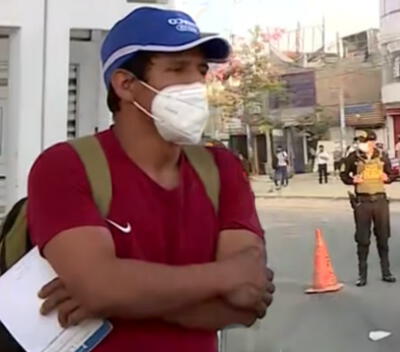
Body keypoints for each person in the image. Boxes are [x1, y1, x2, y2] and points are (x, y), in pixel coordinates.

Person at [26, 7, 274, 352]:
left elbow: (247, 300)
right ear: (126, 85)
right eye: (177, 69)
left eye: (200, 70)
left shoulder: (223, 170)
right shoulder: (65, 166)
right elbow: (98, 286)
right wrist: (224, 275)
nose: (196, 84)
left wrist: (117, 297)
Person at [340, 130, 396, 287]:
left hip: (380, 201)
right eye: (362, 141)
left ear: (373, 141)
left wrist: (388, 178)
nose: (365, 144)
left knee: (383, 238)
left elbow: (392, 175)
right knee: (363, 240)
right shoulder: (353, 157)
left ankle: (386, 272)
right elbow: (343, 175)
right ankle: (362, 275)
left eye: (367, 141)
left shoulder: (382, 156)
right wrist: (353, 179)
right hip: (362, 203)